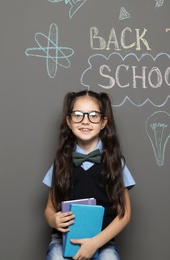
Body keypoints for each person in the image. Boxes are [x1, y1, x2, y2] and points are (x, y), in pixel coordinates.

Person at [42, 90, 135, 260]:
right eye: (78, 115)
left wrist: (95, 243)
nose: (85, 121)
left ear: (103, 122)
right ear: (69, 121)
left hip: (102, 241)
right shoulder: (60, 162)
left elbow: (125, 213)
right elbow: (49, 208)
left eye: (93, 115)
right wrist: (53, 220)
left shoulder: (116, 164)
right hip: (62, 241)